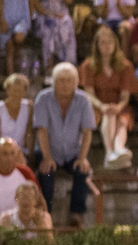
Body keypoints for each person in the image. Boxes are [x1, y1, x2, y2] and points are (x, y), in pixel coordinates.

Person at [34, 62, 95, 228]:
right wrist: (47, 158)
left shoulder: (83, 100)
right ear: (54, 81)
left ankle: (76, 215)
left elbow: (87, 132)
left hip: (73, 151)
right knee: (46, 172)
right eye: (61, 80)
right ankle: (46, 216)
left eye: (69, 80)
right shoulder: (43, 98)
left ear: (76, 82)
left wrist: (82, 158)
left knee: (83, 169)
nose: (65, 84)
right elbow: (41, 130)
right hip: (48, 149)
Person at [80, 26, 137, 169]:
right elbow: (89, 93)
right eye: (103, 43)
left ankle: (118, 149)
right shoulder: (88, 65)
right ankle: (111, 152)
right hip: (97, 106)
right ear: (97, 45)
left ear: (115, 44)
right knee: (109, 114)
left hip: (119, 105)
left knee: (122, 120)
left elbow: (125, 96)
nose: (107, 46)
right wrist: (102, 106)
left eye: (110, 42)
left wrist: (117, 106)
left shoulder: (125, 66)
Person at [0, 74, 33, 165]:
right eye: (14, 90)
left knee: (21, 162)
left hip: (19, 149)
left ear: (24, 92)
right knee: (1, 161)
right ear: (7, 90)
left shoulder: (29, 107)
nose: (16, 94)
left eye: (20, 91)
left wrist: (29, 154)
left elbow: (29, 133)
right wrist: (8, 151)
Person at [31, 0, 76, 73]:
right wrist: (51, 14)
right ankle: (49, 68)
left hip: (61, 16)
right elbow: (37, 7)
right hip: (44, 17)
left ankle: (67, 67)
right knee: (50, 30)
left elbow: (69, 1)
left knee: (66, 24)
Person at [0, 0, 32, 76]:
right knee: (9, 47)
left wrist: (30, 18)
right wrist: (1, 18)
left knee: (18, 39)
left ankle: (17, 72)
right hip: (6, 15)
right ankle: (10, 76)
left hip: (22, 16)